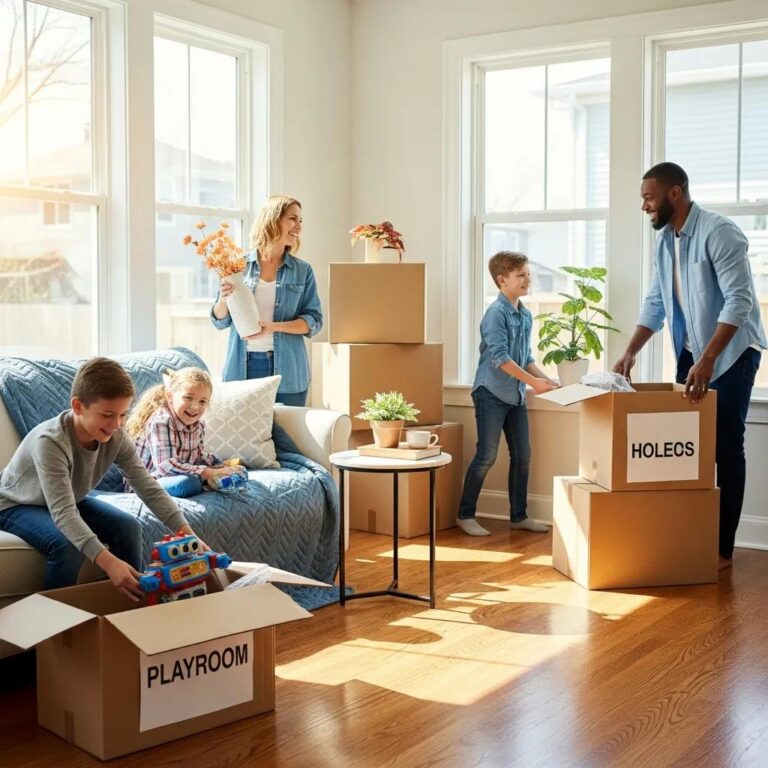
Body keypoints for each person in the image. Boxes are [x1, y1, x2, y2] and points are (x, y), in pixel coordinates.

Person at [614, 162, 766, 570]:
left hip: (731, 353)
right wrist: (630, 352)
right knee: (690, 446)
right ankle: (691, 535)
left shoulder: (720, 232)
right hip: (691, 352)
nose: (645, 206)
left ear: (675, 193)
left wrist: (708, 359)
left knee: (726, 448)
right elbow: (656, 302)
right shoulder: (665, 240)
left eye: (649, 197)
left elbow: (739, 301)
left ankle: (722, 549)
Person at [0, 358, 207, 601]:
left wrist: (188, 533)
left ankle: (130, 605)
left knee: (128, 527)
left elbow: (148, 488)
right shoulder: (51, 442)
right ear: (78, 406)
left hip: (69, 498)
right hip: (16, 504)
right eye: (108, 415)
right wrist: (110, 563)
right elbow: (64, 513)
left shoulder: (116, 436)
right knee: (67, 546)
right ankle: (55, 619)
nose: (117, 424)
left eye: (123, 414)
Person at [457, 251, 559, 536]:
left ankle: (519, 516)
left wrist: (546, 380)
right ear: (502, 280)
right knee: (486, 456)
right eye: (521, 275)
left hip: (515, 395)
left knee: (523, 456)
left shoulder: (525, 314)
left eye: (528, 274)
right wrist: (534, 383)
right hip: (490, 393)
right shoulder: (495, 314)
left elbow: (525, 357)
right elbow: (500, 359)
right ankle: (465, 514)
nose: (528, 279)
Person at [210, 195, 322, 406]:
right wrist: (223, 299)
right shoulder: (237, 265)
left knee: (286, 427)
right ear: (272, 220)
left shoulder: (302, 270)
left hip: (289, 370)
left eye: (300, 220)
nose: (299, 227)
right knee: (245, 427)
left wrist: (274, 327)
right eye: (292, 219)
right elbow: (220, 321)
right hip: (243, 367)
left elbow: (313, 321)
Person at [124, 367, 245, 498]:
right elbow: (166, 466)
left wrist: (219, 465)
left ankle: (216, 481)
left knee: (240, 471)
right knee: (187, 483)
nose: (195, 407)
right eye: (188, 398)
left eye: (202, 401)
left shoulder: (197, 425)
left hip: (179, 475)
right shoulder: (162, 421)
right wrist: (207, 472)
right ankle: (208, 482)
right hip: (148, 484)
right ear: (169, 396)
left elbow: (197, 457)